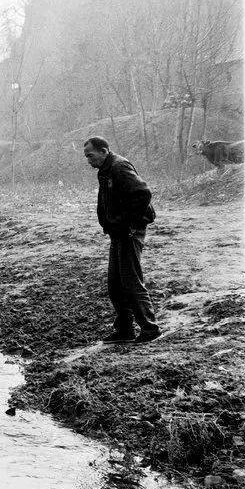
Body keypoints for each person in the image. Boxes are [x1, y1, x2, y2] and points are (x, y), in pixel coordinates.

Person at [83, 136, 161, 343]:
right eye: (86, 157)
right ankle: (125, 330)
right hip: (118, 232)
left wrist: (127, 223)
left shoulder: (119, 167)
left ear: (104, 151)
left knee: (131, 280)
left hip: (129, 231)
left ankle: (150, 328)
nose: (88, 160)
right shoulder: (106, 170)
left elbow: (143, 193)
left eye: (90, 156)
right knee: (115, 283)